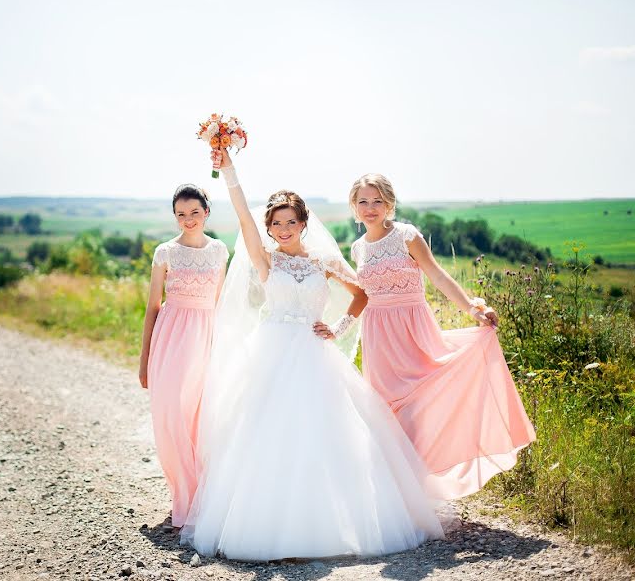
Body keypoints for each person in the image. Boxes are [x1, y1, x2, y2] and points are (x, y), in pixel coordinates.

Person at [180, 149, 443, 561]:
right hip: (273, 352)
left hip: (315, 354)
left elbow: (362, 294)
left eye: (291, 222)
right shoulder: (265, 260)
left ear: (304, 224)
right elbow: (244, 219)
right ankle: (270, 525)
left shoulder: (323, 261)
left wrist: (337, 328)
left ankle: (331, 523)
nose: (283, 229)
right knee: (269, 435)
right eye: (276, 223)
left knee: (327, 436)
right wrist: (228, 169)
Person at [345, 173, 536, 500]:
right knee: (386, 411)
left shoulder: (406, 235)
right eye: (363, 201)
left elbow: (438, 276)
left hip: (412, 328)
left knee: (417, 405)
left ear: (389, 203)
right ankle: (399, 495)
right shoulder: (357, 248)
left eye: (377, 200)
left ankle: (419, 488)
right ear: (354, 206)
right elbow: (361, 296)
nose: (370, 208)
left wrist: (473, 309)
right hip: (377, 335)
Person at [138, 184, 229, 528]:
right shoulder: (165, 252)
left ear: (206, 212)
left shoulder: (219, 251)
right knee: (172, 413)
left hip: (206, 335)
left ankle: (201, 496)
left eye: (194, 212)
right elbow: (153, 306)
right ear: (174, 216)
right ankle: (183, 493)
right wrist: (144, 358)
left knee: (200, 417)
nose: (188, 220)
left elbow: (219, 302)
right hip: (171, 336)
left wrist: (222, 345)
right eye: (181, 214)